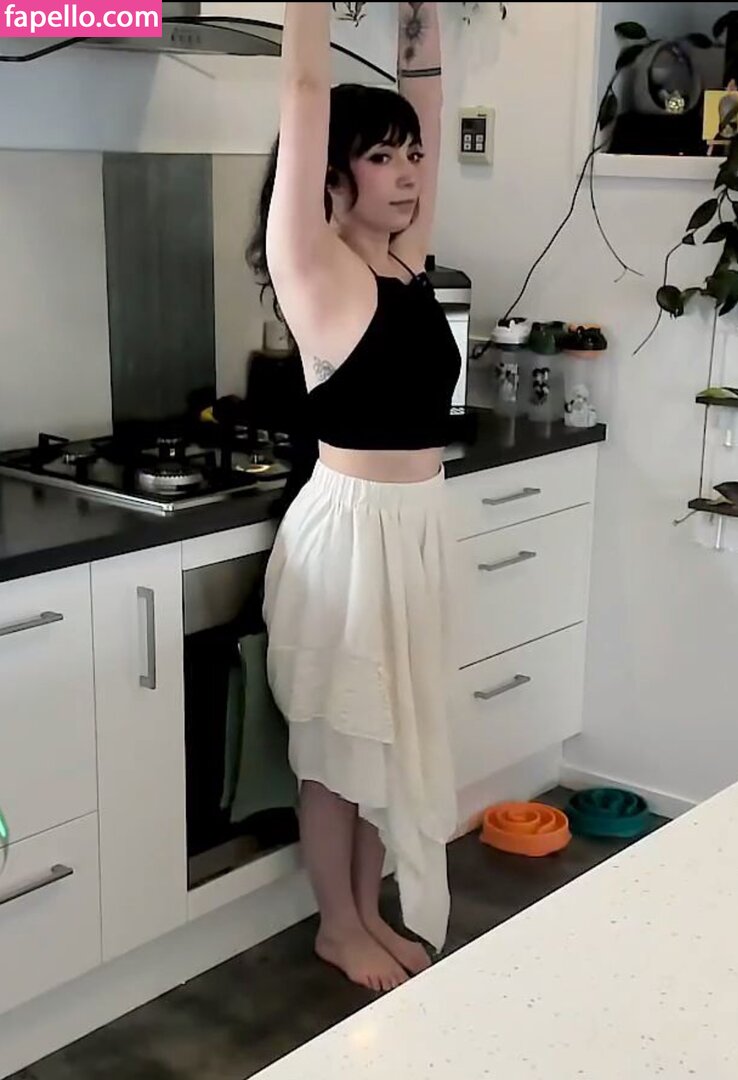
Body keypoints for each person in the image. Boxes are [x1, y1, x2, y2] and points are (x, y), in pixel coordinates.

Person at [247, 1, 461, 993]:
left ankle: (371, 912)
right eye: (382, 157)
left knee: (394, 735)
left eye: (411, 155)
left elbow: (430, 98)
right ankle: (339, 925)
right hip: (349, 537)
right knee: (340, 747)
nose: (409, 171)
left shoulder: (404, 262)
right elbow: (303, 89)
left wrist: (424, 20)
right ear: (332, 174)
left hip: (415, 531)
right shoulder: (313, 266)